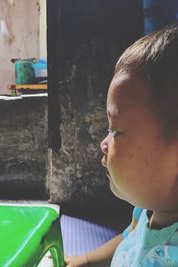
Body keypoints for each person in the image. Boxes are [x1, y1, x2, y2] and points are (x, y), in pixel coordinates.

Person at [65, 23, 178, 267]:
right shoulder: (147, 208)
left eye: (115, 130)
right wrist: (83, 260)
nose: (103, 143)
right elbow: (130, 239)